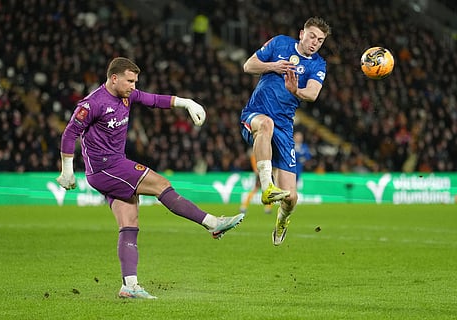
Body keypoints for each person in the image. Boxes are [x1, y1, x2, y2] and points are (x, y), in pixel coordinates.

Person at [56, 57, 245, 299]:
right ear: (114, 78)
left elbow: (155, 100)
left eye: (136, 81)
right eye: (130, 80)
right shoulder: (93, 103)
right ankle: (212, 223)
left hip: (112, 167)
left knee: (130, 223)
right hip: (106, 168)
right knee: (161, 184)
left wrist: (187, 103)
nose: (134, 86)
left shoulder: (128, 95)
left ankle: (129, 285)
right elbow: (70, 132)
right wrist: (67, 170)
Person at [240, 17, 331, 246]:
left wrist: (295, 89)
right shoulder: (279, 44)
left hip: (285, 127)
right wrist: (273, 66)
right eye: (312, 36)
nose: (314, 43)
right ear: (302, 33)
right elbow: (248, 66)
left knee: (291, 198)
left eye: (320, 40)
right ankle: (266, 186)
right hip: (256, 114)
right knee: (266, 125)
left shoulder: (318, 64)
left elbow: (312, 94)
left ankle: (281, 221)